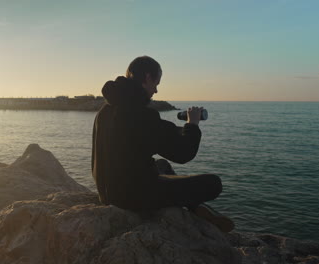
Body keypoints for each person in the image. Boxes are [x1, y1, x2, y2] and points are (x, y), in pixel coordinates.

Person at [91, 56, 234, 232]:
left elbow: (153, 131)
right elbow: (183, 154)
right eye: (156, 83)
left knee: (162, 165)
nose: (156, 90)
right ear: (148, 78)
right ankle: (197, 209)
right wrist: (193, 125)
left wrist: (182, 129)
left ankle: (196, 207)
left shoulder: (105, 111)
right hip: (129, 197)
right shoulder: (140, 115)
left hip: (106, 191)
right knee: (213, 183)